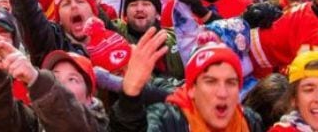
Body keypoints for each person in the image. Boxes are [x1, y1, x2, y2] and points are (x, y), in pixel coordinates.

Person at [111, 33, 264, 131]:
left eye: (231, 82)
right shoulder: (168, 120)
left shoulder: (250, 121)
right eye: (210, 82)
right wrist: (130, 94)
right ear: (192, 89)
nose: (222, 93)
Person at [0, 29, 108, 132]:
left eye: (72, 79)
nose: (62, 84)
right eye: (55, 77)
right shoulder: (33, 122)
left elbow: (72, 126)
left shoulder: (98, 125)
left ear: (90, 95)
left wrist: (36, 79)